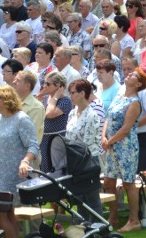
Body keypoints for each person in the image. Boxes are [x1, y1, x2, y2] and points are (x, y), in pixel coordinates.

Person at [0, 85, 39, 238]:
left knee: (0, 216)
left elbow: (33, 145)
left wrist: (25, 161)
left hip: (12, 175)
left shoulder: (21, 119)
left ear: (5, 99)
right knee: (8, 214)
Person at [101, 67, 146, 232]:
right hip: (112, 145)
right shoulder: (119, 96)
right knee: (108, 181)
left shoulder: (134, 102)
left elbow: (126, 128)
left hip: (126, 147)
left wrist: (110, 141)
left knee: (128, 183)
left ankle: (134, 220)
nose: (129, 74)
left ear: (139, 84)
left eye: (134, 75)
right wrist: (104, 137)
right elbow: (108, 118)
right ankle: (113, 217)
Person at [65, 78, 103, 219]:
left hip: (88, 163)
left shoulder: (92, 115)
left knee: (92, 199)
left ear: (82, 93)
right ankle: (82, 229)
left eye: (73, 93)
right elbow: (68, 138)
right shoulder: (72, 113)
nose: (71, 96)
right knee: (79, 200)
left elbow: (86, 144)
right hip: (75, 162)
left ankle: (100, 230)